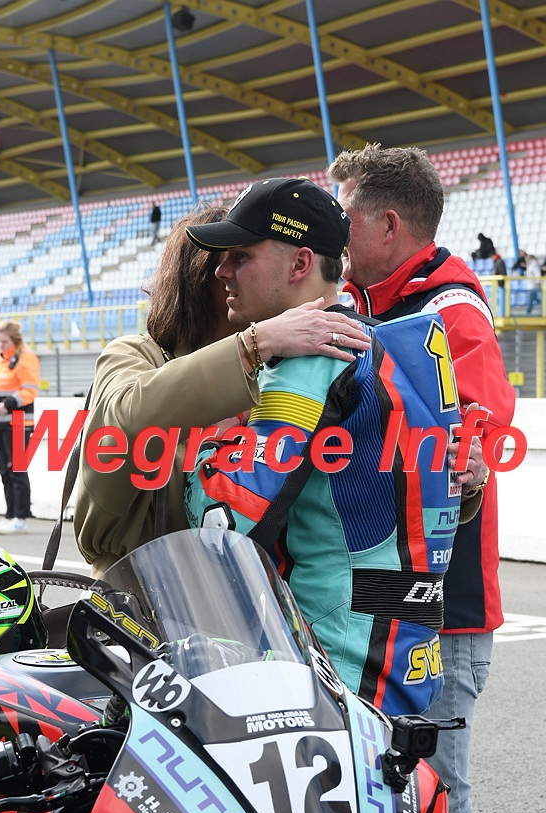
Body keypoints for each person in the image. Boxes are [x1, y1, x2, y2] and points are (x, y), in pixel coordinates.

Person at [184, 176, 487, 718]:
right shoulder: (397, 344)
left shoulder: (312, 357)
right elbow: (444, 487)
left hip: (333, 667)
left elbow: (222, 519)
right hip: (406, 649)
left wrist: (207, 430)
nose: (221, 271)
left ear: (300, 264)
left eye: (240, 256)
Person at [326, 143, 516, 813]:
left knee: (438, 796)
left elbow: (481, 426)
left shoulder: (450, 307)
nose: (334, 233)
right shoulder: (358, 304)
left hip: (444, 605)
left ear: (388, 225)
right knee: (379, 790)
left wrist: (467, 459)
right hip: (377, 596)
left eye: (344, 217)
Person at [74, 205, 371, 578]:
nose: (228, 272)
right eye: (227, 259)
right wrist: (252, 345)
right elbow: (128, 416)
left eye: (242, 258)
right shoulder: (136, 354)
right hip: (139, 590)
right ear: (196, 278)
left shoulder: (279, 368)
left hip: (243, 595)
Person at [0, 320, 40, 535]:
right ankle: (10, 515)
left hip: (18, 423)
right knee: (5, 471)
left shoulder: (26, 358)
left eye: (4, 341)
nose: (0, 345)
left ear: (15, 340)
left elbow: (31, 390)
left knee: (17, 470)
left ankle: (20, 518)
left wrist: (9, 403)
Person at [491, 250, 507, 315]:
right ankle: (500, 311)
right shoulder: (498, 261)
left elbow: (501, 272)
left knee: (501, 298)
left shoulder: (499, 262)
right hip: (499, 283)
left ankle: (501, 312)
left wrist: (500, 283)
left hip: (500, 284)